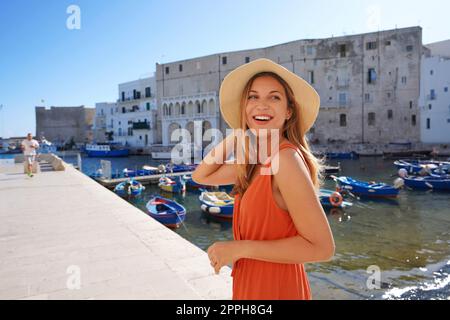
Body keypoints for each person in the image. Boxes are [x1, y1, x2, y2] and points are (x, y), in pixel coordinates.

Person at [192, 58, 335, 300]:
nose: (262, 105)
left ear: (289, 111)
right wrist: (239, 132)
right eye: (253, 97)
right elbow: (201, 174)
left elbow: (322, 248)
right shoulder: (256, 161)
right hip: (251, 284)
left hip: (277, 288)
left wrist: (239, 249)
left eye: (274, 97)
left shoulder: (286, 160)